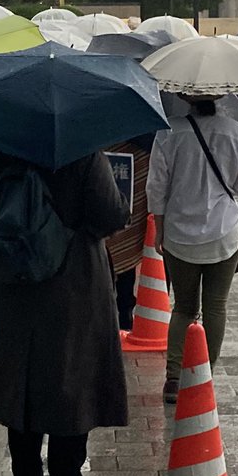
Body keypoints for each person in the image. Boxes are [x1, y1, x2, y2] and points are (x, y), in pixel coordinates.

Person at [0, 151, 129, 476]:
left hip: (17, 283)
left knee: (23, 378)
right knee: (71, 377)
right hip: (72, 281)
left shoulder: (3, 157)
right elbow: (109, 215)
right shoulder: (82, 155)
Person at [147, 96, 238, 404]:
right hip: (223, 233)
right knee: (215, 306)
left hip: (180, 235)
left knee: (183, 307)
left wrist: (161, 228)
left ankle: (174, 378)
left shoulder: (168, 132)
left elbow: (156, 186)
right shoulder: (234, 131)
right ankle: (204, 373)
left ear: (183, 99)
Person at [105, 137, 151, 331]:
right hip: (125, 223)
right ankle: (124, 318)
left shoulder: (89, 150)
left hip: (99, 235)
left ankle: (119, 317)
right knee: (125, 278)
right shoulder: (143, 151)